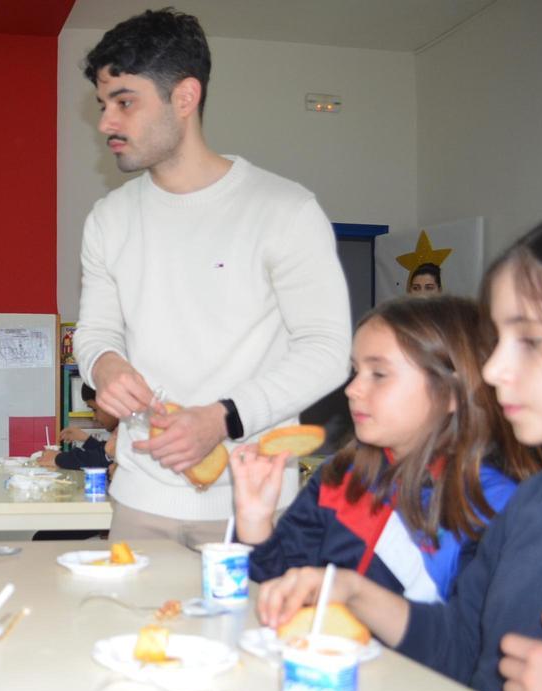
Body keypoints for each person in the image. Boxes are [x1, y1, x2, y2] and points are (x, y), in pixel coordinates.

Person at [257, 207, 542, 691]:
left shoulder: (499, 501)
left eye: (528, 339)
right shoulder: (540, 503)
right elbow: (464, 648)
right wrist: (347, 589)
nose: (490, 371)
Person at [73, 9, 351, 546]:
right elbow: (96, 332)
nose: (107, 121)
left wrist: (224, 418)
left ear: (184, 97)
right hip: (138, 500)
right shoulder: (108, 218)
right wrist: (104, 364)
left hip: (255, 502)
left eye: (125, 101)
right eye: (104, 104)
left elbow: (327, 349)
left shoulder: (284, 209)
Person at [231, 296, 539, 601]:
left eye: (378, 374)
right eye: (355, 371)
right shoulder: (341, 476)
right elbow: (280, 592)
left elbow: (472, 639)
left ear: (451, 394)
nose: (352, 389)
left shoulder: (495, 508)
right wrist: (255, 523)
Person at [37, 383, 120, 471]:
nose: (94, 418)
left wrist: (58, 458)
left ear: (112, 403)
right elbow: (107, 453)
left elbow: (100, 459)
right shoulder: (124, 430)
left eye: (94, 409)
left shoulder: (132, 430)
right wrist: (87, 439)